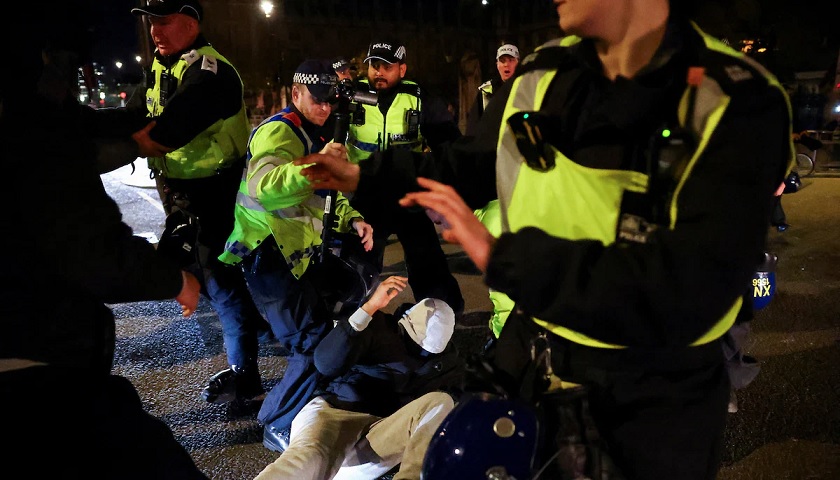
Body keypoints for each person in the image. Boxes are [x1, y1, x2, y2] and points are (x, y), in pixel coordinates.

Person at [296, 0, 794, 477]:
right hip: (532, 343)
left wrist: (508, 260)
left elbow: (691, 292)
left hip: (650, 392)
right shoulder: (545, 70)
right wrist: (366, 174)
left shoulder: (736, 97)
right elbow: (478, 159)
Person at [1, 4, 207, 478]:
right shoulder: (32, 119)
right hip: (36, 364)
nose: (153, 31)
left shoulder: (204, 72)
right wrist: (174, 280)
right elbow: (87, 246)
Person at [103, 0, 273, 406]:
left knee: (220, 282)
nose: (154, 31)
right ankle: (254, 332)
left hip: (214, 192)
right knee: (210, 278)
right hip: (181, 191)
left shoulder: (210, 73)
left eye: (163, 21)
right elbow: (130, 116)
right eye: (149, 22)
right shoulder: (163, 68)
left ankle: (246, 376)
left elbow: (165, 133)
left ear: (191, 23)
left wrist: (92, 157)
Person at [217, 59, 374, 450]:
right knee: (313, 344)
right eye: (316, 100)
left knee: (345, 300)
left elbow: (325, 195)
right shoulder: (278, 132)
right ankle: (278, 423)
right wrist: (316, 164)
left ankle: (315, 397)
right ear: (296, 93)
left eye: (329, 102)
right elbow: (266, 186)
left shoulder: (316, 132)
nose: (324, 108)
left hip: (297, 253)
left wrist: (352, 219)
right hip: (266, 255)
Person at [254, 276, 464, 480]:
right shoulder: (378, 328)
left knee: (440, 402)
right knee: (310, 458)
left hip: (374, 439)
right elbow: (325, 362)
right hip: (333, 413)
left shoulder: (444, 365)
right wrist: (368, 309)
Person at [344, 38, 465, 315]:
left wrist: (446, 190)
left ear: (402, 69)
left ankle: (441, 315)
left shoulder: (420, 98)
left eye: (387, 66)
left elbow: (448, 146)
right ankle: (352, 320)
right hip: (366, 196)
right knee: (359, 262)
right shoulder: (352, 97)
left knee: (427, 259)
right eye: (374, 65)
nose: (379, 72)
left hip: (408, 194)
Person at [465, 43, 520, 136]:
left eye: (511, 60)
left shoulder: (527, 87)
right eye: (502, 61)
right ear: (497, 64)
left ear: (518, 63)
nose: (506, 64)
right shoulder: (485, 91)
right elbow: (473, 127)